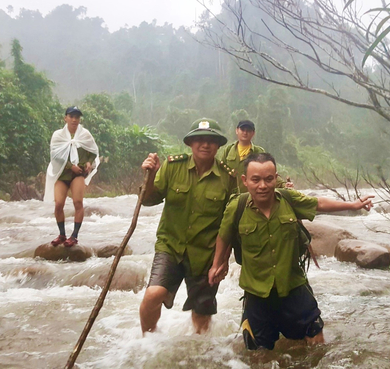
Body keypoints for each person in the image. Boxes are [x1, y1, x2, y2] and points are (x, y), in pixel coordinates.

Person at [209, 153, 374, 350]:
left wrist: (353, 205)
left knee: (315, 335)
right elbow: (224, 236)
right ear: (245, 181)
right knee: (258, 351)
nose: (263, 185)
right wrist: (217, 264)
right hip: (256, 291)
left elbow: (318, 204)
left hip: (293, 285)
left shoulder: (288, 199)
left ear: (275, 177)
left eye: (268, 179)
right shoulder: (237, 207)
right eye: (256, 179)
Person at [139, 118, 235, 335]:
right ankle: (147, 341)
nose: (205, 144)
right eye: (199, 139)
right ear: (190, 143)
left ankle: (199, 355)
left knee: (202, 313)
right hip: (171, 246)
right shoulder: (173, 166)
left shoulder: (228, 178)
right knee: (153, 294)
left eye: (211, 140)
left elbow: (230, 224)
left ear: (218, 145)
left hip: (206, 254)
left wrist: (222, 260)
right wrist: (151, 175)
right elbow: (149, 199)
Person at [44, 106, 99, 248]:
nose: (74, 120)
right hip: (62, 174)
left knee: (78, 203)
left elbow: (92, 151)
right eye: (71, 116)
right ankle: (62, 234)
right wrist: (69, 166)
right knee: (58, 204)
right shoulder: (58, 135)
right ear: (66, 118)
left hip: (78, 174)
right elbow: (55, 156)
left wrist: (88, 162)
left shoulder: (85, 134)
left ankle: (74, 236)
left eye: (77, 117)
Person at [218, 120, 292, 192]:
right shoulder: (228, 150)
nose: (245, 132)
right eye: (242, 129)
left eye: (248, 130)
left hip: (252, 197)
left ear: (253, 133)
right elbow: (221, 172)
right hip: (231, 196)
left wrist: (284, 185)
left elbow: (270, 173)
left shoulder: (258, 151)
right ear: (237, 131)